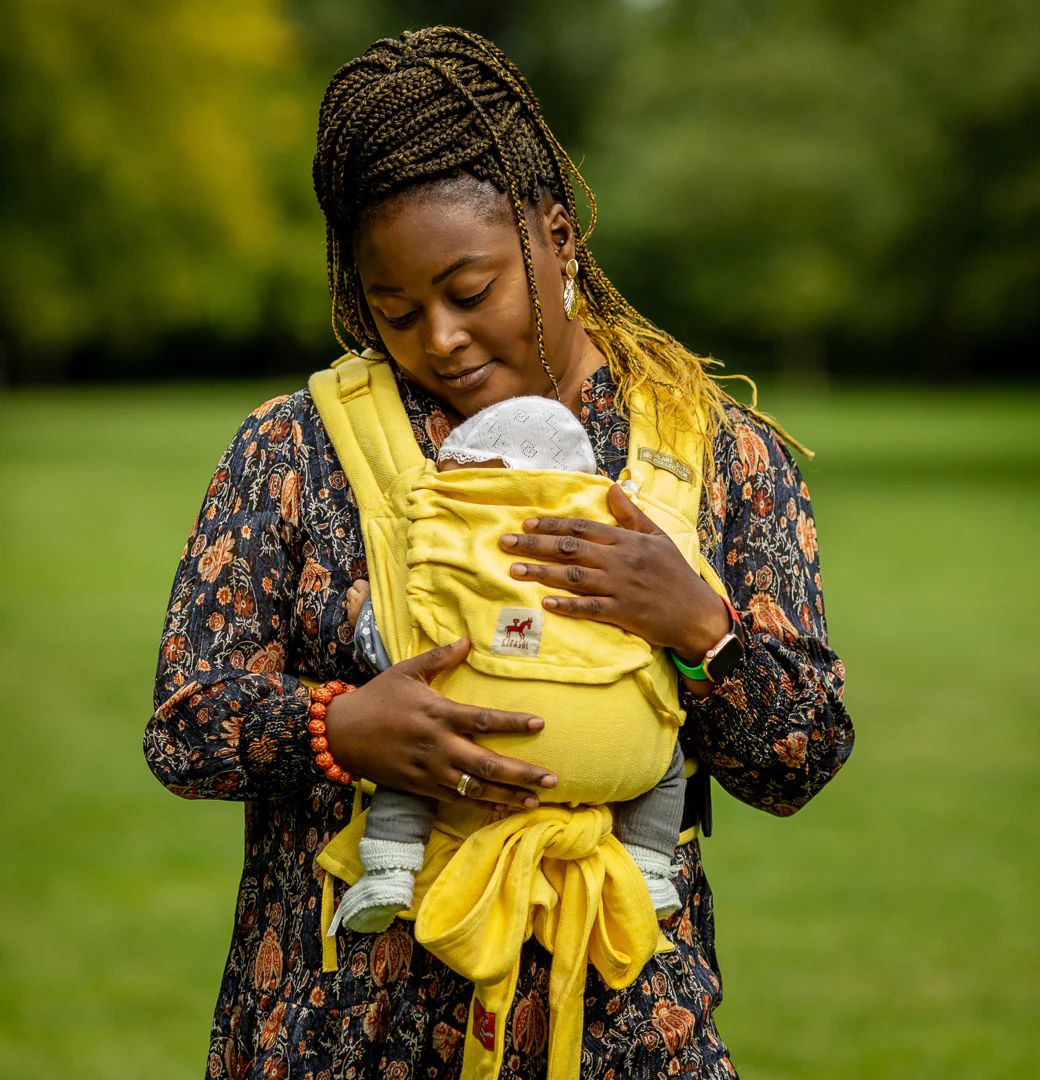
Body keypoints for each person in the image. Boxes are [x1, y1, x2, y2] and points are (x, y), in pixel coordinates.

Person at [145, 26, 854, 1080]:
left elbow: (800, 760)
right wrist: (340, 726)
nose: (438, 339)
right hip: (344, 1028)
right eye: (396, 311)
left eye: (469, 292)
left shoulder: (712, 451)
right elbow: (187, 727)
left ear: (557, 238)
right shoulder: (297, 449)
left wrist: (701, 628)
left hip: (619, 1030)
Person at [337, 393, 687, 935]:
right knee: (666, 755)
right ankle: (649, 866)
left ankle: (389, 864)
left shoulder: (459, 542)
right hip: (619, 753)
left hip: (478, 742)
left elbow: (408, 646)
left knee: (414, 728)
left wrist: (365, 619)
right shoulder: (623, 539)